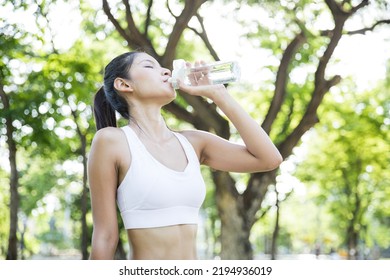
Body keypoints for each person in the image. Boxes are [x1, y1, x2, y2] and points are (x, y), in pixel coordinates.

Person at [88, 51, 282, 260]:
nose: (165, 71)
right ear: (124, 85)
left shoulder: (194, 143)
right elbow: (105, 237)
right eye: (149, 66)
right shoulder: (111, 141)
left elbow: (269, 159)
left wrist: (218, 94)